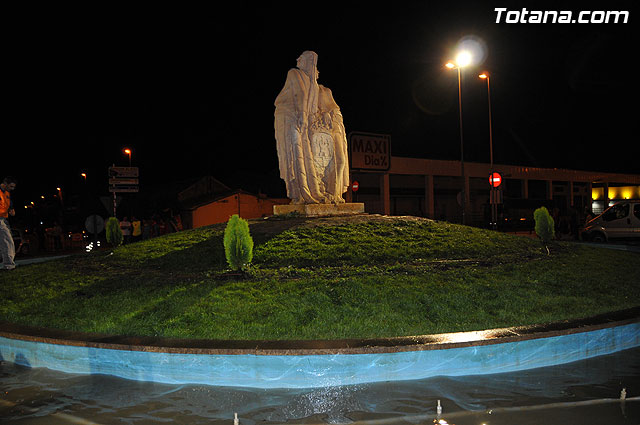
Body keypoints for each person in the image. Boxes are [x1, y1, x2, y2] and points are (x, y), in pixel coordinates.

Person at [274, 51, 350, 205]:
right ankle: (304, 193)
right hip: (291, 118)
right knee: (296, 152)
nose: (315, 69)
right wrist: (302, 115)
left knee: (334, 159)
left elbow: (332, 109)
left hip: (316, 127)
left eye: (315, 64)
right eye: (311, 62)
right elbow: (300, 94)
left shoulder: (320, 89)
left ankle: (328, 192)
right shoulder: (294, 74)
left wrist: (327, 115)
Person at [0, 176, 17, 270]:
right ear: (5, 183)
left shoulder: (7, 193)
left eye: (13, 187)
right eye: (11, 186)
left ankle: (7, 264)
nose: (12, 189)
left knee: (4, 241)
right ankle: (8, 265)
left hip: (4, 219)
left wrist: (11, 211)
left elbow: (10, 206)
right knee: (7, 240)